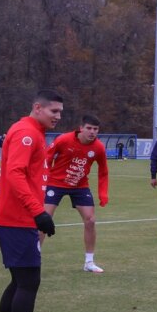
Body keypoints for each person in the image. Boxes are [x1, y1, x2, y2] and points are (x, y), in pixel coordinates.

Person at [0, 89, 64, 312]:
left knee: (19, 281)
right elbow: (14, 174)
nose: (58, 117)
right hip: (16, 218)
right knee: (29, 282)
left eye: (60, 112)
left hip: (16, 217)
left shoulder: (30, 132)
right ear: (37, 107)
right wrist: (38, 211)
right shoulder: (26, 133)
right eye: (53, 111)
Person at [44, 114, 111, 273]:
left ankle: (89, 262)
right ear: (81, 128)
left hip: (80, 185)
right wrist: (42, 182)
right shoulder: (63, 140)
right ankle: (34, 259)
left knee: (91, 220)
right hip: (55, 183)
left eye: (95, 129)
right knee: (44, 220)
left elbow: (103, 172)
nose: (92, 132)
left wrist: (103, 193)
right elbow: (46, 159)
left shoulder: (99, 147)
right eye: (89, 128)